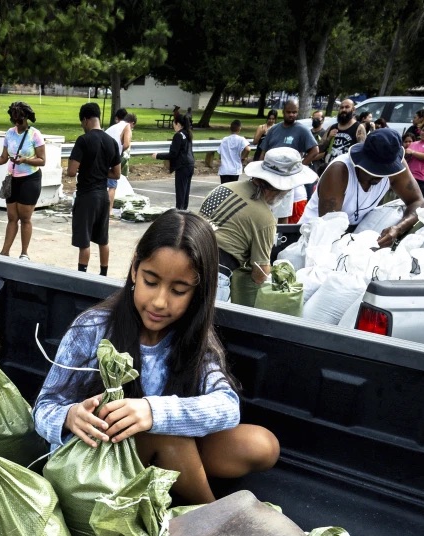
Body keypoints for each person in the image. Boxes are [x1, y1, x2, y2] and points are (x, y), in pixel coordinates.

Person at [32, 210, 279, 506]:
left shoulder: (195, 338)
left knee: (261, 445)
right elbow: (43, 408)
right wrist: (70, 417)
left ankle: (178, 486)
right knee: (167, 437)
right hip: (104, 465)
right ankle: (213, 517)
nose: (160, 302)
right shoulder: (92, 329)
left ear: (198, 292)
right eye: (151, 281)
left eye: (178, 290)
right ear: (135, 269)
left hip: (170, 459)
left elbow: (227, 406)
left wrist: (153, 411)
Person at [199, 147, 316, 304]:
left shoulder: (224, 188)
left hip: (187, 258)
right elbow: (259, 274)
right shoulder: (265, 218)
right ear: (281, 188)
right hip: (214, 277)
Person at [301, 128, 424, 248]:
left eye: (383, 173)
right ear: (361, 161)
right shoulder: (339, 171)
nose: (377, 179)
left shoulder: (397, 168)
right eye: (372, 172)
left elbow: (418, 202)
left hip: (353, 235)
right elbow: (329, 229)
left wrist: (398, 228)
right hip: (313, 237)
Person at [0, 101, 45, 259]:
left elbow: (42, 160)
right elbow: (3, 158)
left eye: (19, 120)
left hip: (30, 179)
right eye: (14, 120)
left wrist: (26, 160)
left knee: (25, 218)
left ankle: (24, 253)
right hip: (12, 179)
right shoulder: (9, 133)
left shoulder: (34, 134)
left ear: (26, 117)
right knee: (12, 218)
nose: (17, 123)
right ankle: (5, 252)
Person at [65, 102, 121, 276]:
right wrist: (101, 172)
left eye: (82, 122)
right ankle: (103, 274)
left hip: (86, 196)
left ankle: (82, 274)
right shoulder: (111, 142)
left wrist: (86, 169)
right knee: (103, 239)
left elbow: (71, 172)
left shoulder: (84, 140)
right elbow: (116, 174)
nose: (83, 126)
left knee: (85, 241)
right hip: (103, 196)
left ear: (86, 119)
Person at [259, 100, 321, 166]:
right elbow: (263, 151)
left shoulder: (302, 130)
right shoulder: (273, 129)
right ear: (283, 112)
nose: (291, 115)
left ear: (298, 112)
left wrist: (301, 166)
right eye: (288, 112)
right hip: (271, 169)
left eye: (294, 112)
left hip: (289, 172)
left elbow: (315, 151)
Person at [157, 112, 195, 211]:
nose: (173, 125)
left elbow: (173, 154)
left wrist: (158, 155)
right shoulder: (188, 134)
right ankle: (184, 211)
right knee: (186, 191)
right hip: (190, 165)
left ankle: (180, 212)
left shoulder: (178, 135)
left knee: (180, 191)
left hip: (182, 166)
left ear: (178, 124)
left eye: (174, 123)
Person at [324, 98, 367, 166]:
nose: (343, 110)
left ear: (353, 110)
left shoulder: (359, 128)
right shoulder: (332, 127)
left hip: (347, 169)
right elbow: (320, 148)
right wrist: (329, 138)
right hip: (329, 166)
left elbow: (363, 152)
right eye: (341, 107)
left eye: (347, 107)